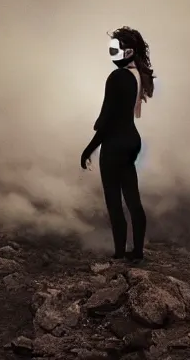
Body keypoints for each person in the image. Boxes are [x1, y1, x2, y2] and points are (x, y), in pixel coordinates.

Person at [80, 26, 155, 263]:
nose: (111, 54)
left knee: (114, 200)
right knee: (133, 199)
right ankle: (138, 252)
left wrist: (89, 149)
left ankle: (120, 254)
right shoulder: (137, 75)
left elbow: (107, 119)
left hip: (115, 142)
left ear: (129, 51)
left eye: (115, 49)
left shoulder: (117, 77)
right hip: (132, 139)